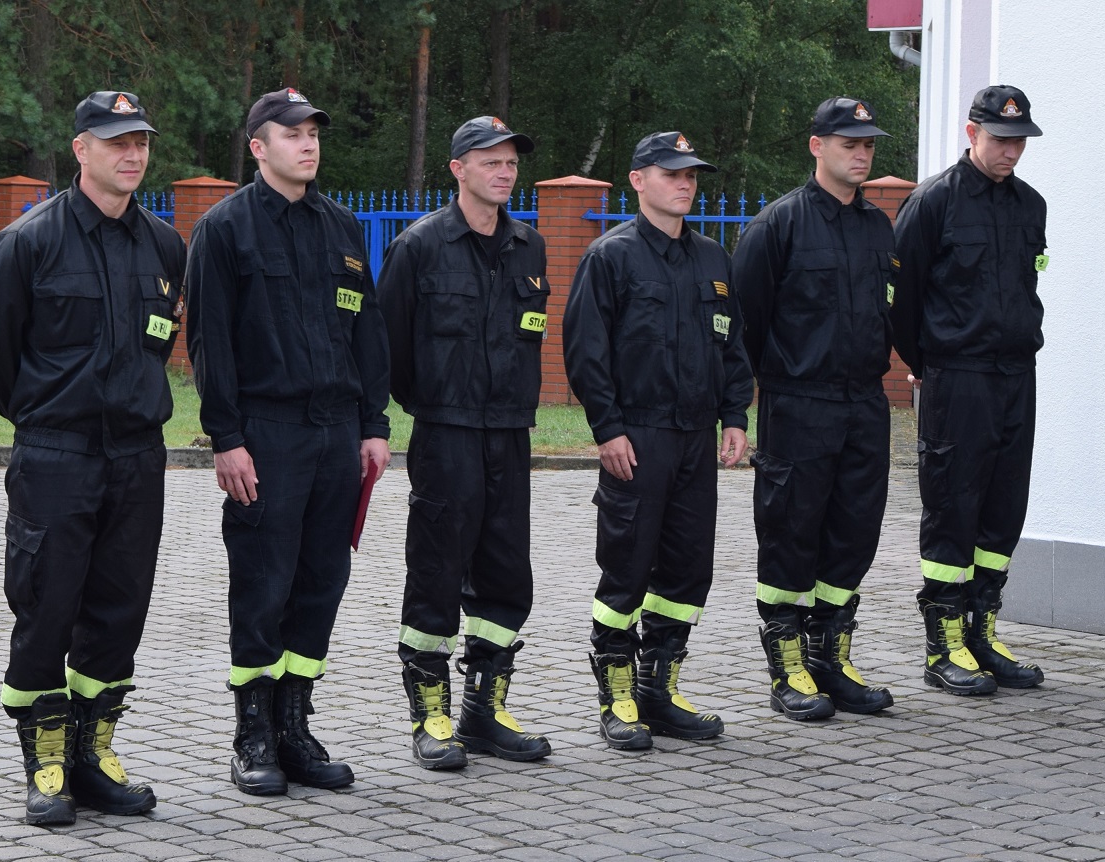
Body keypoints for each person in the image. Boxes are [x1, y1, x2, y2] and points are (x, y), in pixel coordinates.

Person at [0, 91, 184, 825]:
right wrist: (43, 416)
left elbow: (158, 343)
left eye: (141, 141)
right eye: (117, 141)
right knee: (47, 606)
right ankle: (46, 763)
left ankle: (93, 754)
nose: (133, 153)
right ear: (81, 149)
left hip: (137, 457)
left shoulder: (163, 245)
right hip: (57, 456)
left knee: (119, 610)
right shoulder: (29, 241)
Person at [185, 87, 392, 794]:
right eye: (292, 133)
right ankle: (252, 735)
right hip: (266, 433)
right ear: (258, 147)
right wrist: (226, 437)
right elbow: (209, 339)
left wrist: (373, 425)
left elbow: (367, 331)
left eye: (314, 133)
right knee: (263, 583)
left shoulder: (342, 227)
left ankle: (295, 728)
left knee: (320, 582)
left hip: (337, 433)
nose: (308, 144)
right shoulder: (225, 229)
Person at [563, 131, 753, 750]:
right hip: (638, 436)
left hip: (696, 438)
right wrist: (608, 429)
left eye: (691, 175)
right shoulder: (611, 257)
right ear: (638, 180)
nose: (685, 184)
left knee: (687, 569)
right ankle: (617, 696)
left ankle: (659, 690)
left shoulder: (713, 259)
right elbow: (586, 352)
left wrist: (734, 416)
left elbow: (732, 344)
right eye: (673, 174)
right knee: (627, 567)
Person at [378, 116, 551, 770]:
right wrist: (430, 402)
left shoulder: (529, 246)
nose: (504, 173)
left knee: (506, 573)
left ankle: (485, 709)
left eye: (511, 163)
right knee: (436, 569)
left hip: (509, 433)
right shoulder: (420, 246)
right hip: (445, 434)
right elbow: (388, 347)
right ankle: (431, 716)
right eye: (490, 162)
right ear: (457, 169)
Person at [733, 97, 897, 721]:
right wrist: (764, 390)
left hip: (865, 403)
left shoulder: (878, 227)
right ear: (817, 146)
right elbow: (745, 325)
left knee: (854, 531)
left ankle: (831, 657)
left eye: (868, 145)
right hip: (799, 403)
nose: (861, 154)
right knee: (790, 532)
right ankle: (788, 668)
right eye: (849, 143)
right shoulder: (778, 225)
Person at [891, 85, 1047, 695]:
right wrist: (927, 362)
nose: (1011, 151)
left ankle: (982, 631)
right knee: (954, 502)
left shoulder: (1030, 205)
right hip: (958, 376)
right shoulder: (934, 201)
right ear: (972, 132)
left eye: (1019, 142)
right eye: (1000, 139)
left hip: (1016, 375)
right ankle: (944, 643)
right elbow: (902, 299)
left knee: (1004, 504)